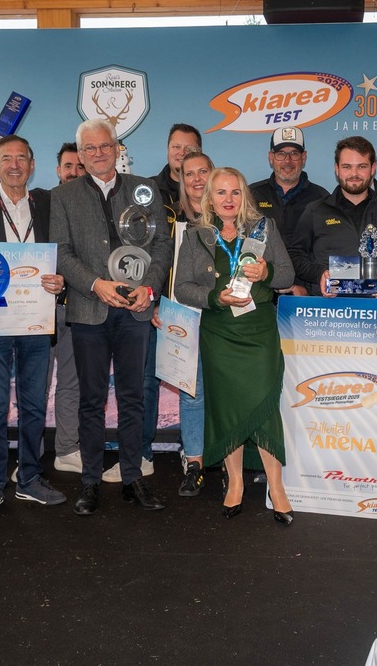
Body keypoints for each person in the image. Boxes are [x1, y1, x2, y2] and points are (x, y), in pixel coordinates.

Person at [49, 118, 171, 515]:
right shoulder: (63, 196)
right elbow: (61, 251)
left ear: (118, 149)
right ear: (81, 155)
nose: (99, 153)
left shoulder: (145, 188)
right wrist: (94, 284)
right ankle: (89, 481)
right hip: (89, 311)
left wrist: (148, 288)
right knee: (91, 400)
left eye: (105, 146)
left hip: (136, 310)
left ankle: (133, 477)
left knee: (133, 397)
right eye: (90, 148)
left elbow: (162, 244)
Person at [173, 167, 297, 524]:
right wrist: (216, 297)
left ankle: (277, 488)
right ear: (209, 198)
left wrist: (266, 273)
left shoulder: (265, 229)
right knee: (227, 408)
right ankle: (236, 483)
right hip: (219, 333)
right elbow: (182, 288)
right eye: (221, 192)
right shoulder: (195, 236)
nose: (228, 199)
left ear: (245, 196)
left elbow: (287, 275)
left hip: (259, 333)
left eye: (235, 192)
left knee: (265, 408)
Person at [0, 136, 67, 516]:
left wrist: (61, 280)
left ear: (32, 165)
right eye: (6, 158)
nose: (14, 165)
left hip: (36, 318)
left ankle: (29, 479)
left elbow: (62, 252)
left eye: (21, 158)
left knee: (34, 404)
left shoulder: (48, 206)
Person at [137, 123, 205, 477]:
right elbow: (139, 250)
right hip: (161, 308)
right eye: (176, 147)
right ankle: (142, 455)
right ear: (167, 149)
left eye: (189, 149)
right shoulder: (147, 191)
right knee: (148, 382)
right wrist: (151, 298)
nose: (182, 154)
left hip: (206, 308)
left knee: (200, 387)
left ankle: (199, 453)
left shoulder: (217, 200)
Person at [160, 149, 213, 497]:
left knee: (223, 390)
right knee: (191, 391)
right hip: (180, 315)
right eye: (188, 173)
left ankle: (227, 460)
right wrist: (157, 302)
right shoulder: (170, 220)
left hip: (221, 316)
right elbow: (158, 264)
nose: (196, 179)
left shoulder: (228, 216)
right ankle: (194, 462)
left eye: (202, 171)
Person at [288, 136, 377, 297]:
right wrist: (319, 274)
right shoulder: (315, 211)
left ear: (373, 168)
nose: (354, 173)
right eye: (347, 167)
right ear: (337, 169)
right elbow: (294, 256)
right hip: (329, 307)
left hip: (376, 307)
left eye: (361, 166)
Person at [250, 127, 328, 298]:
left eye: (294, 154)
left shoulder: (322, 198)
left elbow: (324, 252)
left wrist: (307, 290)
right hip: (257, 292)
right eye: (281, 154)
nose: (287, 161)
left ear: (304, 157)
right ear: (271, 157)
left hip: (302, 295)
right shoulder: (251, 195)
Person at [50, 142, 84, 473]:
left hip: (77, 310)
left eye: (79, 166)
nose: (73, 172)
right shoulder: (41, 204)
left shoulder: (93, 208)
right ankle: (29, 458)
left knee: (71, 383)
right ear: (58, 170)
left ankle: (66, 449)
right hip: (38, 310)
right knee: (35, 385)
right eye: (68, 166)